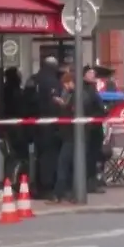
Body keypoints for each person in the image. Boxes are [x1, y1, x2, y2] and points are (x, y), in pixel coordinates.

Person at [31, 57, 64, 200]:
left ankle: (38, 186)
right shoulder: (51, 81)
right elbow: (54, 104)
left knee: (40, 155)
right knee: (49, 157)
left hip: (36, 123)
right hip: (49, 125)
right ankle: (47, 186)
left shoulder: (34, 79)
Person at [51, 71, 78, 203]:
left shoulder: (75, 96)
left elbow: (70, 113)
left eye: (67, 83)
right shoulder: (72, 95)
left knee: (63, 164)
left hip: (70, 136)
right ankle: (70, 194)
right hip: (69, 135)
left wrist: (63, 105)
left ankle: (58, 195)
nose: (65, 86)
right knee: (69, 165)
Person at [81, 65, 107, 194]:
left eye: (94, 73)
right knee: (90, 156)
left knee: (94, 155)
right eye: (90, 73)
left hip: (95, 127)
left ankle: (92, 182)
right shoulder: (86, 89)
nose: (93, 75)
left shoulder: (92, 88)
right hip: (91, 128)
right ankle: (89, 184)